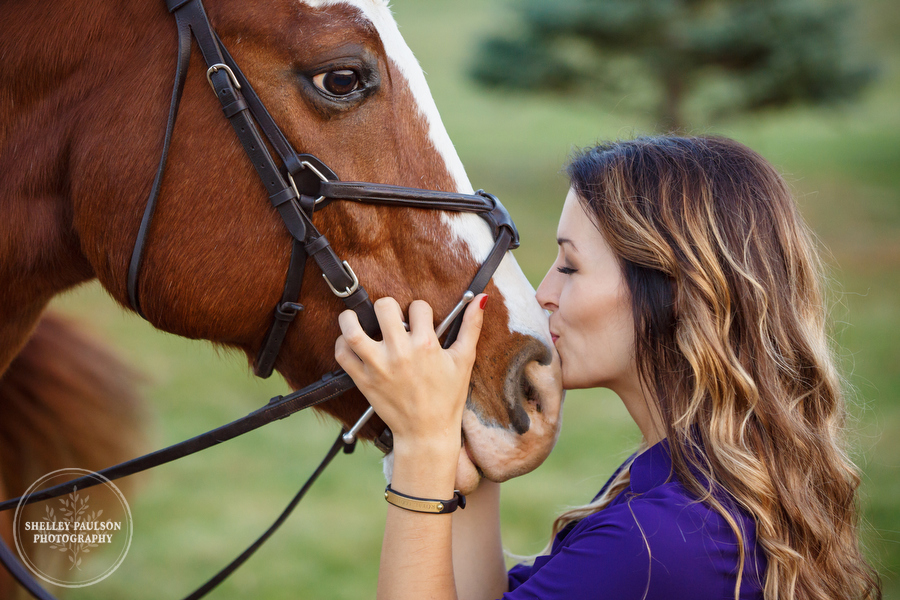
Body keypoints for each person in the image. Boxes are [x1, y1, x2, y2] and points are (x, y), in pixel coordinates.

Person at [334, 136, 881, 600]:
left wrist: (421, 450)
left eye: (570, 266)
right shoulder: (697, 489)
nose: (544, 294)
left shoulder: (656, 541)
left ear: (677, 294)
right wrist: (477, 450)